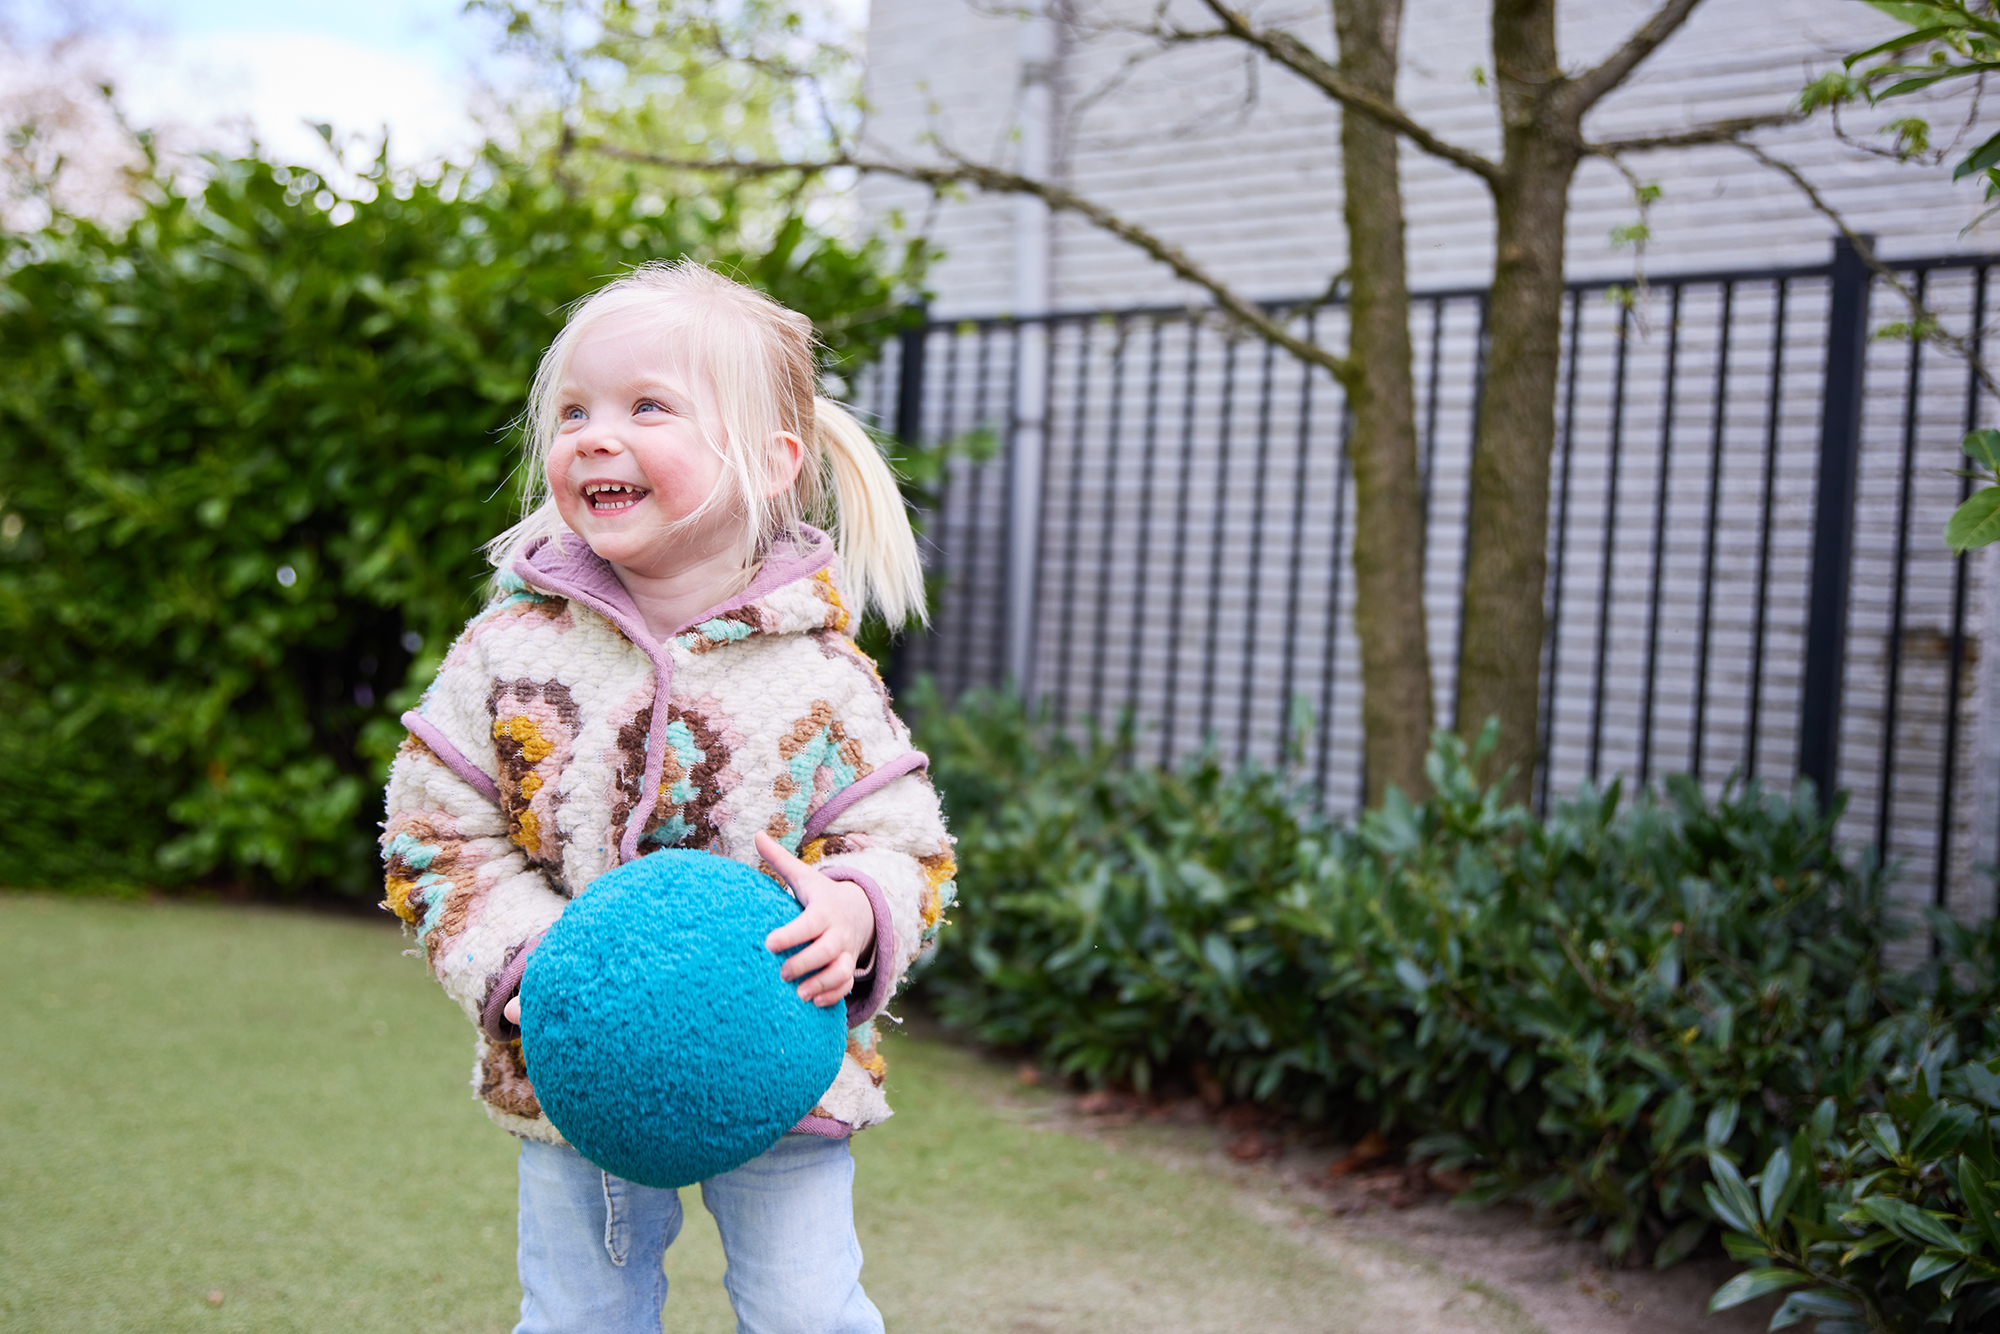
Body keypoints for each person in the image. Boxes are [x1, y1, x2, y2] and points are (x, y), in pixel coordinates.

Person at [377, 260, 956, 1334]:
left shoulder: (822, 671)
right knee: (578, 1313)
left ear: (772, 462)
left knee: (807, 1312)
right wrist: (535, 961)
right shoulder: (506, 652)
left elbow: (904, 839)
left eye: (647, 406)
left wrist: (854, 912)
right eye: (573, 410)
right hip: (580, 1071)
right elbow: (430, 834)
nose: (596, 433)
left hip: (779, 1065)